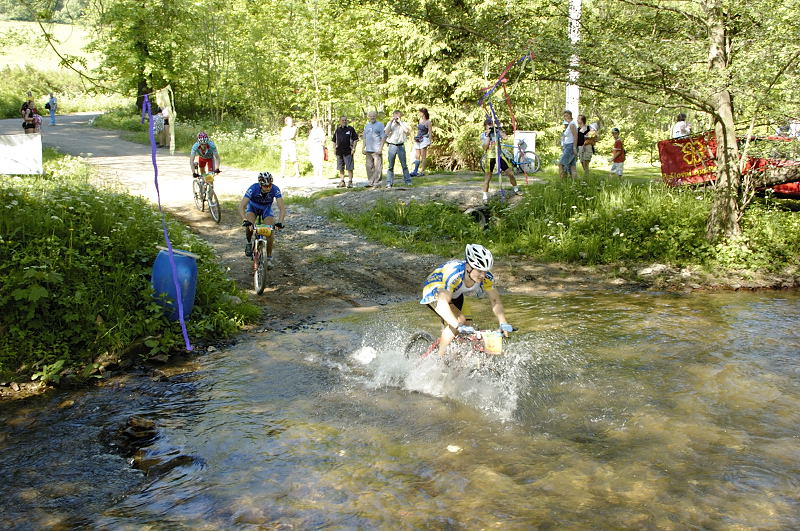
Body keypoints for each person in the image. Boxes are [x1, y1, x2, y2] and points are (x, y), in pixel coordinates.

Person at [419, 244, 514, 356]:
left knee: (468, 325)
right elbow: (442, 306)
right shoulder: (454, 275)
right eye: (479, 270)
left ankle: (457, 356)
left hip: (454, 293)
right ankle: (439, 360)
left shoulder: (486, 277)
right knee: (458, 322)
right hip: (435, 291)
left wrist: (503, 322)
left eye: (485, 271)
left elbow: (495, 301)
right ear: (468, 267)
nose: (483, 275)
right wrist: (458, 325)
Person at [240, 172, 286, 269]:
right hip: (253, 208)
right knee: (250, 224)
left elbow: (282, 208)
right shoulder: (253, 188)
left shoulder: (275, 189)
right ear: (260, 185)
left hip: (266, 209)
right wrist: (245, 219)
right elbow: (242, 206)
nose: (268, 188)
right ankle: (249, 242)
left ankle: (269, 258)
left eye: (269, 185)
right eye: (265, 186)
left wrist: (280, 222)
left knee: (270, 232)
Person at [480, 118, 521, 201]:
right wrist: (488, 136)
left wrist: (499, 130)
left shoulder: (496, 132)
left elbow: (505, 137)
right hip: (489, 157)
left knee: (510, 173)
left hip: (499, 156)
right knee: (488, 177)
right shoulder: (483, 135)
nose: (490, 126)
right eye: (489, 124)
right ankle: (485, 196)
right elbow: (484, 147)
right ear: (485, 126)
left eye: (491, 124)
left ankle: (516, 189)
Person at [384, 109, 412, 188]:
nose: (396, 117)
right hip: (392, 145)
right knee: (390, 166)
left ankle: (408, 181)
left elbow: (407, 131)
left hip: (401, 146)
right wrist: (391, 122)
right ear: (393, 115)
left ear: (400, 116)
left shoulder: (404, 123)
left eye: (398, 115)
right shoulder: (389, 123)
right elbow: (386, 132)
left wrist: (400, 123)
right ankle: (389, 182)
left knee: (404, 165)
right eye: (395, 115)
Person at [332, 116, 359, 187]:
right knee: (340, 167)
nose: (344, 121)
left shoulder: (350, 129)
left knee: (349, 167)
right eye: (342, 120)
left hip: (348, 151)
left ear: (347, 121)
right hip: (339, 152)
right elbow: (334, 141)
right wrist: (334, 149)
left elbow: (355, 139)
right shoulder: (337, 130)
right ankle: (342, 181)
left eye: (345, 120)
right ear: (340, 121)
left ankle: (350, 181)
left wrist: (353, 148)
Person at [362, 111, 385, 187]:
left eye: (374, 116)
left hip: (376, 150)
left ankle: (377, 182)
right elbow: (364, 138)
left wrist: (381, 148)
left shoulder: (380, 125)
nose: (372, 117)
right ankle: (370, 181)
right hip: (368, 149)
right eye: (371, 116)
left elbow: (383, 137)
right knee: (369, 167)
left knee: (377, 167)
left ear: (376, 116)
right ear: (368, 117)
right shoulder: (367, 126)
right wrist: (363, 148)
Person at [411, 107, 432, 177]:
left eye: (420, 112)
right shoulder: (420, 120)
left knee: (423, 156)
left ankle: (422, 171)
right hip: (418, 139)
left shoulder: (428, 122)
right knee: (417, 155)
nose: (419, 114)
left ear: (423, 113)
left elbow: (430, 132)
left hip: (424, 139)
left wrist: (430, 141)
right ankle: (415, 170)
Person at [559, 110, 578, 179]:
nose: (565, 117)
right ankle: (574, 183)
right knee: (572, 167)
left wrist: (574, 148)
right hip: (568, 146)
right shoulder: (570, 124)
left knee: (561, 164)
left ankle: (562, 182)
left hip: (570, 146)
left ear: (570, 115)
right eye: (564, 116)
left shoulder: (572, 124)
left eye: (566, 115)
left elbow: (575, 136)